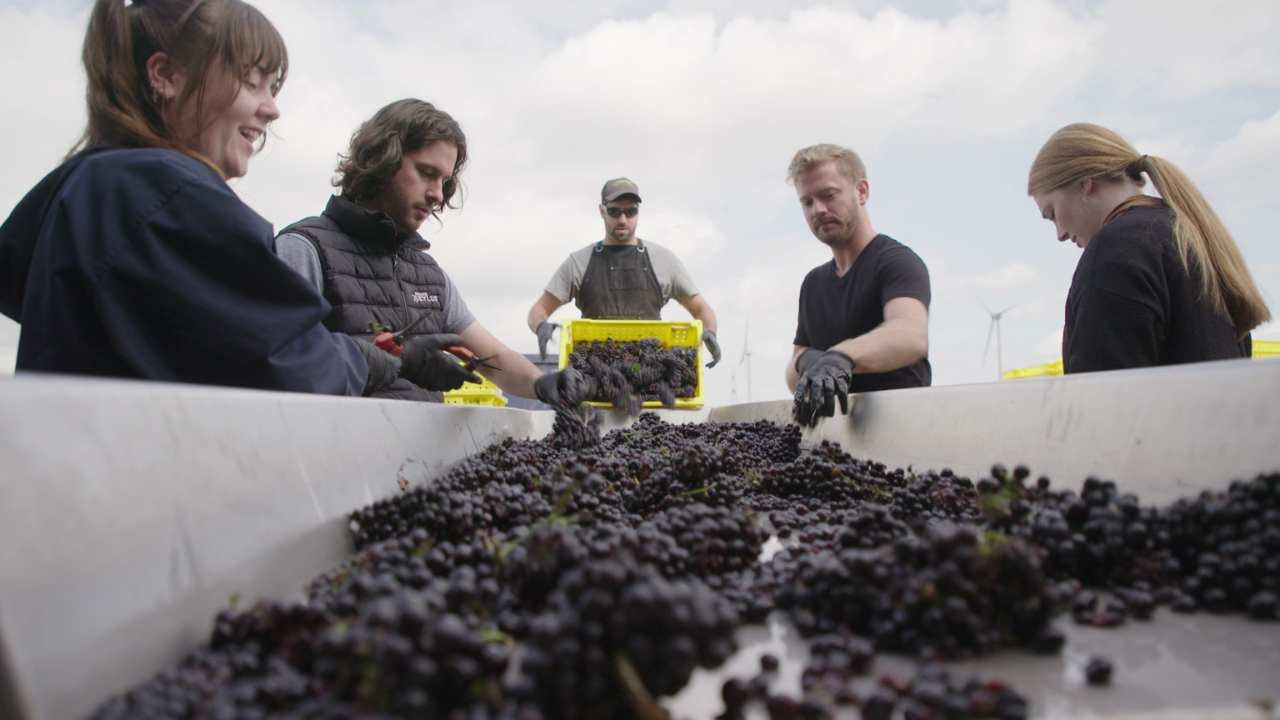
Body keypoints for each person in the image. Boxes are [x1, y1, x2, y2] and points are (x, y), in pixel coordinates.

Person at [0, 0, 412, 396]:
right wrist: (367, 360)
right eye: (252, 82)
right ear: (165, 75)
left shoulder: (91, 189)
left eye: (273, 88)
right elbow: (281, 364)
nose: (272, 109)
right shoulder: (164, 195)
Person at [275, 99, 583, 405]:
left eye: (444, 181)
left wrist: (542, 383)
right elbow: (282, 365)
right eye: (426, 172)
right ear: (382, 160)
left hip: (420, 454)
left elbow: (493, 357)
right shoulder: (304, 249)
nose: (437, 194)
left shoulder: (430, 276)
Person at [1028, 123, 1271, 373]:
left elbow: (1102, 398)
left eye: (1052, 213)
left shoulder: (1117, 249)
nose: (1060, 234)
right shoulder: (1192, 239)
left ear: (1084, 185)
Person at [785, 144, 931, 427]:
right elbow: (793, 373)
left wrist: (842, 358)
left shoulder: (896, 262)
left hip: (899, 433)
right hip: (835, 443)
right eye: (807, 202)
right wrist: (809, 362)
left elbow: (910, 335)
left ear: (861, 191)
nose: (819, 209)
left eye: (828, 195)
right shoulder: (813, 284)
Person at [525, 178, 723, 368]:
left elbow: (701, 309)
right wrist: (541, 326)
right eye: (614, 212)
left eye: (630, 212)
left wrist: (710, 332)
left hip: (649, 374)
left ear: (638, 212)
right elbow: (538, 310)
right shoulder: (579, 263)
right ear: (601, 211)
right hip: (595, 376)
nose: (622, 219)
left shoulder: (664, 261)